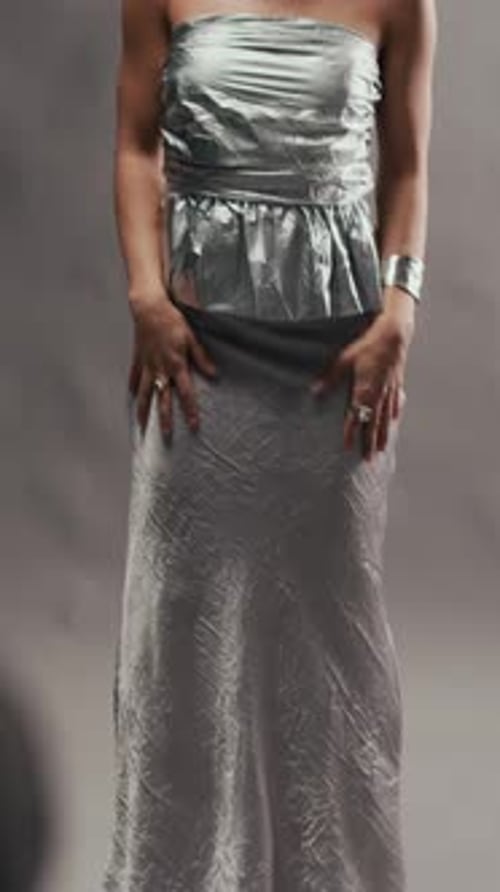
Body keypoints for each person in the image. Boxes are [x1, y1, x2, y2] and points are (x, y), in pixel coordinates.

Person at [102, 1, 437, 890]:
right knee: (180, 635)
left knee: (329, 641)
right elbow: (137, 146)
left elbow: (406, 167)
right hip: (199, 347)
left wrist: (400, 311)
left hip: (337, 361)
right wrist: (145, 297)